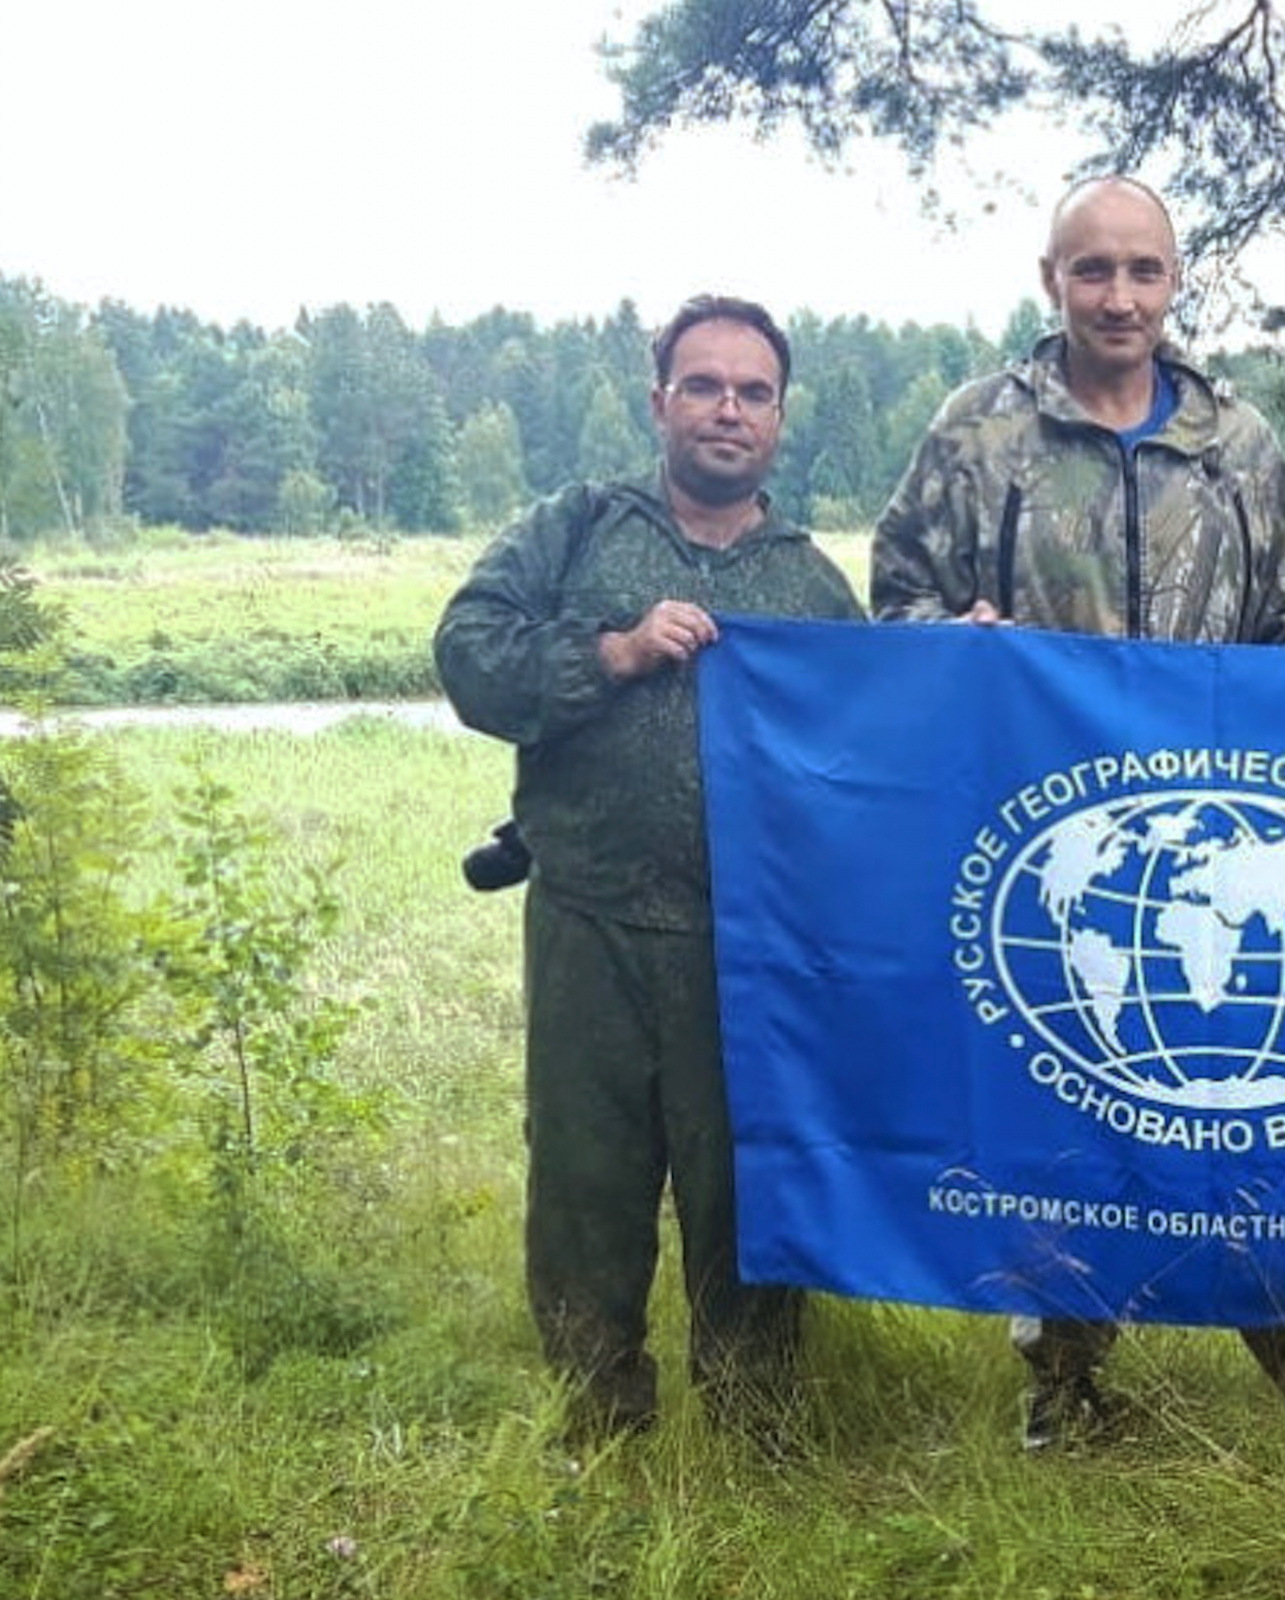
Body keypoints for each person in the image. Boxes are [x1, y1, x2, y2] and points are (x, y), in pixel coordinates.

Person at [871, 175, 1285, 1450]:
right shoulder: (975, 433)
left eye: (1142, 271)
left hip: (1216, 839)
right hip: (1054, 850)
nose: (1118, 297)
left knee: (1255, 1107)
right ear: (1048, 279)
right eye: (1091, 270)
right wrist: (957, 642)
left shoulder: (1237, 442)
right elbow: (896, 605)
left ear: (1175, 280)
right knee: (1066, 1119)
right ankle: (1063, 1386)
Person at [435, 294, 864, 1443]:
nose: (729, 409)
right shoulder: (575, 529)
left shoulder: (814, 585)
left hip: (752, 950)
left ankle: (754, 1419)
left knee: (749, 1190)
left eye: (753, 391)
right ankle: (597, 1418)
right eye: (704, 385)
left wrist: (965, 666)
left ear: (778, 415)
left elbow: (873, 757)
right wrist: (613, 653)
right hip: (591, 920)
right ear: (659, 400)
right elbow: (467, 656)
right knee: (585, 1181)